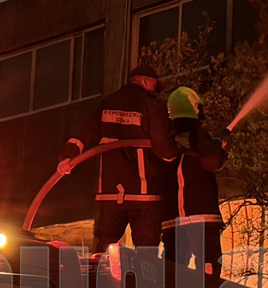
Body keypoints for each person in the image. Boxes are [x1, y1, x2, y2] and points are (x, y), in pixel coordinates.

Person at [57, 65, 178, 254]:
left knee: (103, 249)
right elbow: (164, 148)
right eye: (155, 85)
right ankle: (143, 284)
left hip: (109, 193)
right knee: (146, 254)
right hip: (143, 193)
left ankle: (99, 282)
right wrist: (176, 154)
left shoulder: (107, 103)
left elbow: (85, 133)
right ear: (146, 81)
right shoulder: (153, 105)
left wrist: (67, 157)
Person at [160, 86, 228, 279]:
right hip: (202, 216)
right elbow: (213, 161)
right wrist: (217, 145)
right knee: (209, 264)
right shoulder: (199, 137)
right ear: (197, 109)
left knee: (171, 269)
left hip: (172, 218)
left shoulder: (164, 140)